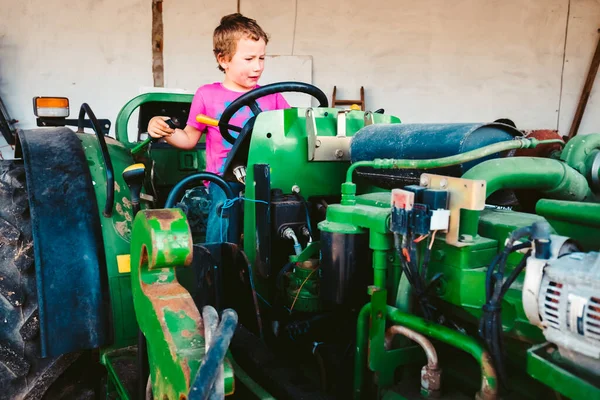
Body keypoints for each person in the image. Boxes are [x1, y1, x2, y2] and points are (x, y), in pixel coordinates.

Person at [147, 13, 290, 242]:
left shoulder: (271, 96)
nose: (258, 67)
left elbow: (291, 132)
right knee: (224, 208)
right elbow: (188, 139)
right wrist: (164, 129)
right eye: (249, 59)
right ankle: (217, 263)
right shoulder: (207, 95)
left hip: (266, 176)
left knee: (289, 208)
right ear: (224, 60)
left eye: (262, 58)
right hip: (224, 179)